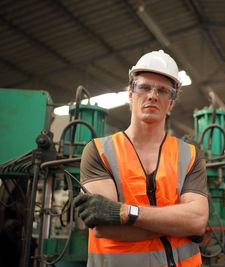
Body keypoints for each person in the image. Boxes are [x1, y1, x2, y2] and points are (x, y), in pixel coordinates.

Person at [73, 50, 209, 267]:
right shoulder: (99, 151)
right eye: (145, 87)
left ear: (171, 101)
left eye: (163, 91)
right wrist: (178, 224)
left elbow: (197, 221)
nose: (153, 96)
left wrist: (124, 212)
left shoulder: (190, 154)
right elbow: (102, 226)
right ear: (130, 93)